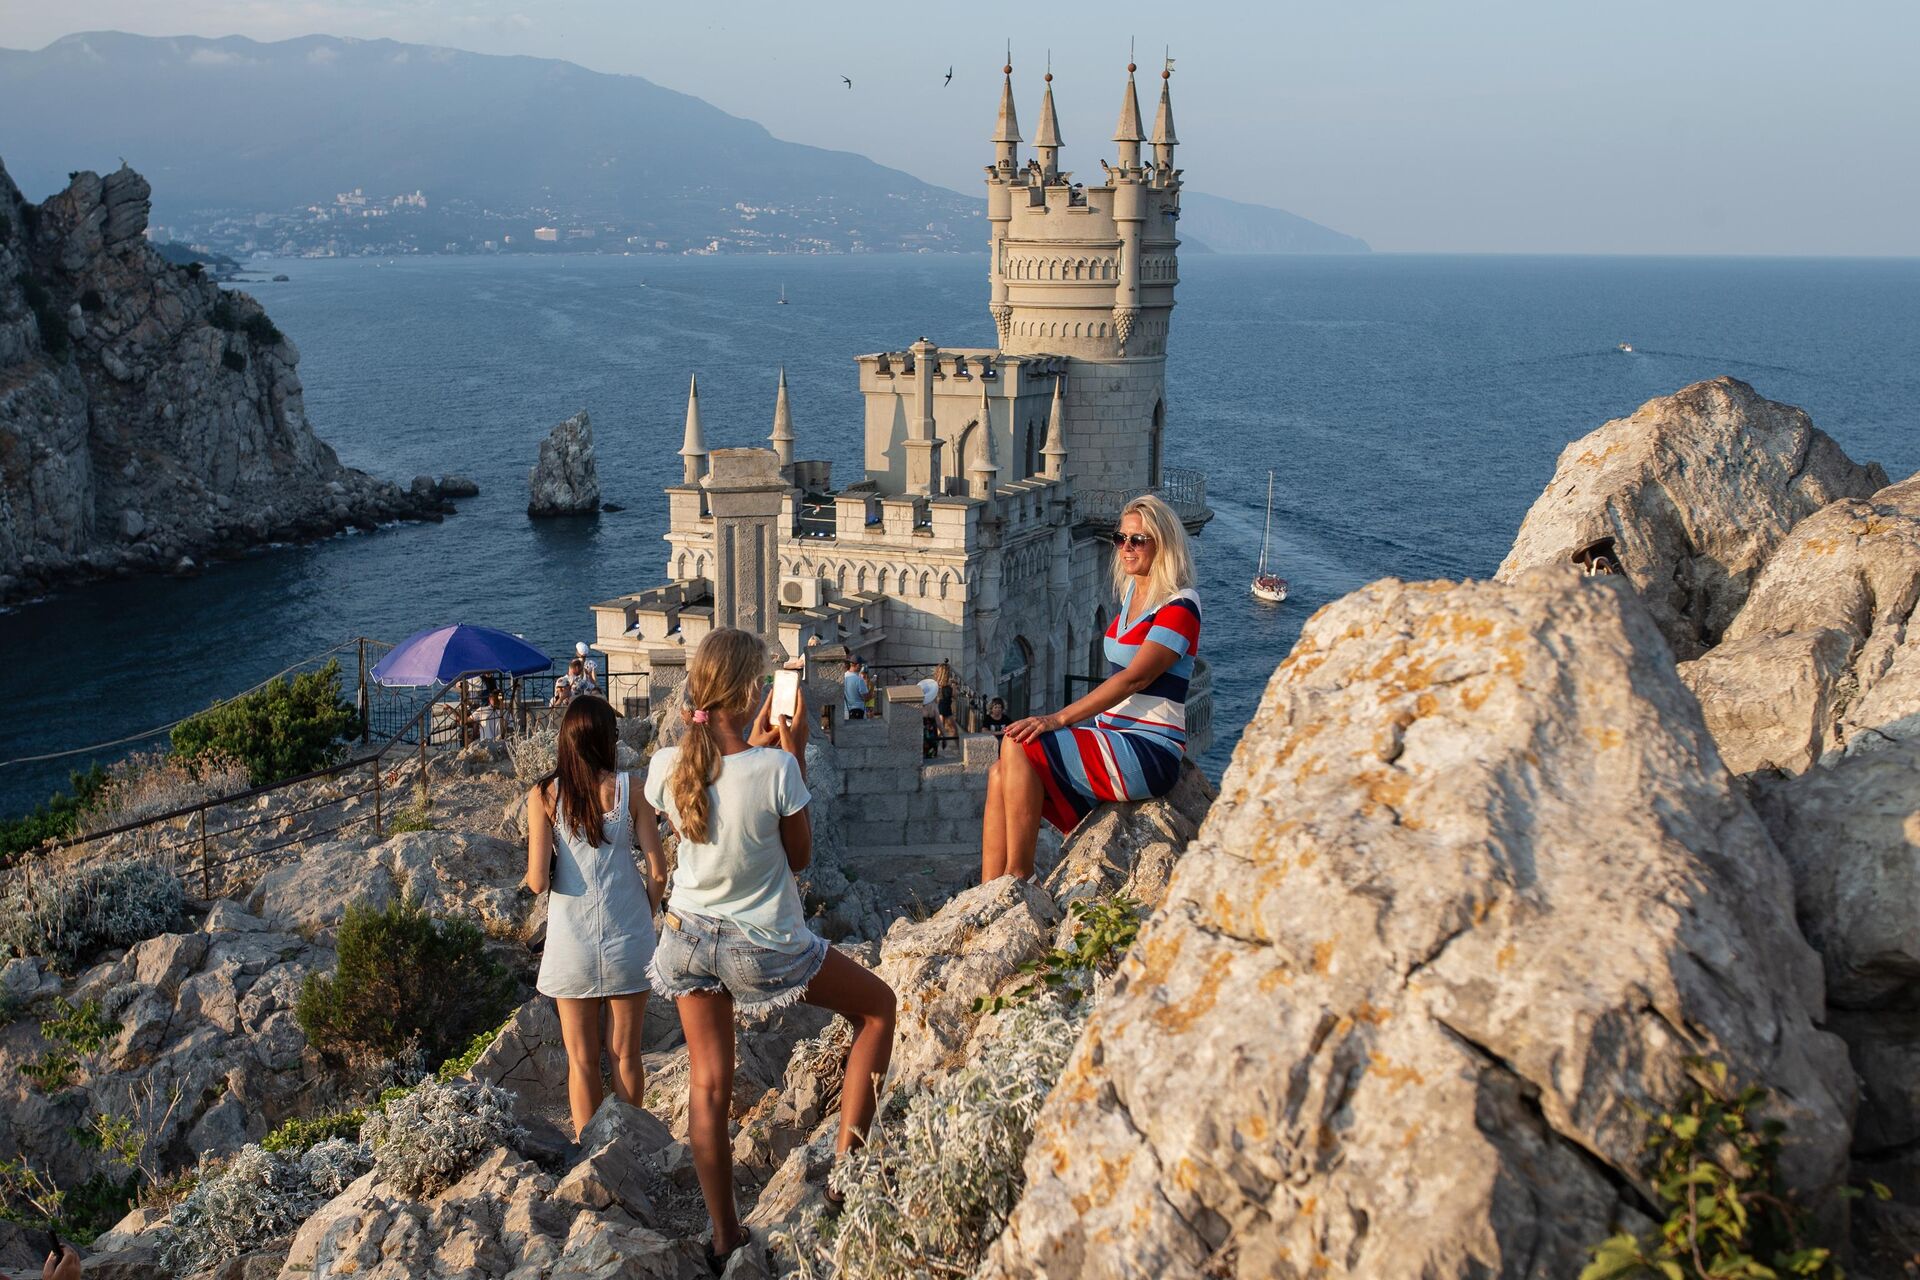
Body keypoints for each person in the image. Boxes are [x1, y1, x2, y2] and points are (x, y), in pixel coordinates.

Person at [645, 629, 896, 1271]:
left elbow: (717, 788)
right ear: (753, 692)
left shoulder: (668, 769)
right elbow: (801, 858)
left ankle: (725, 1236)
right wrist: (796, 752)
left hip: (685, 940)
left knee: (709, 1086)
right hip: (761, 947)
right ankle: (847, 1175)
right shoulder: (779, 769)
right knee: (876, 1010)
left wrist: (751, 751)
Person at [982, 494, 1201, 883]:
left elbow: (1135, 678)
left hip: (1149, 747)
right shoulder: (1134, 594)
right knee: (1001, 770)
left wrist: (1058, 718)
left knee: (1017, 743)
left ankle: (1019, 876)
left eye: (1139, 540)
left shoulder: (1180, 607)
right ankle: (990, 889)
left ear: (1163, 543)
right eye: (1121, 539)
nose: (1127, 548)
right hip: (1113, 736)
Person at [524, 696, 669, 1138]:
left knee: (582, 1060)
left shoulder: (544, 794)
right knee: (626, 1054)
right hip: (629, 935)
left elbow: (536, 882)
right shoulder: (635, 789)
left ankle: (590, 1153)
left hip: (572, 943)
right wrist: (645, 911)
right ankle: (631, 1146)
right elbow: (658, 870)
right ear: (608, 739)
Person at [934, 661, 959, 751]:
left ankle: (957, 747)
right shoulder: (943, 686)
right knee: (945, 730)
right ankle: (934, 747)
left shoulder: (938, 685)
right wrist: (954, 686)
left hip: (944, 708)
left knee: (950, 729)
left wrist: (954, 686)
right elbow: (955, 697)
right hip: (943, 709)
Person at [841, 655, 870, 720]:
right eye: (861, 665)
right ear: (857, 665)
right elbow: (866, 698)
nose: (861, 667)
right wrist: (869, 684)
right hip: (858, 711)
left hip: (845, 711)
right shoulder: (859, 680)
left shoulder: (843, 677)